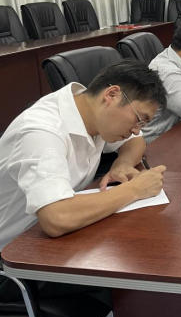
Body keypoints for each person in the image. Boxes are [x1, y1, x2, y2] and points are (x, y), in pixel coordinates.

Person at [0, 60, 168, 250]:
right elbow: (56, 217)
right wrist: (136, 189)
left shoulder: (93, 112)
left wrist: (123, 164)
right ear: (111, 94)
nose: (137, 130)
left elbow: (136, 141)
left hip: (60, 238)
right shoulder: (42, 131)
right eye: (139, 120)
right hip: (13, 251)